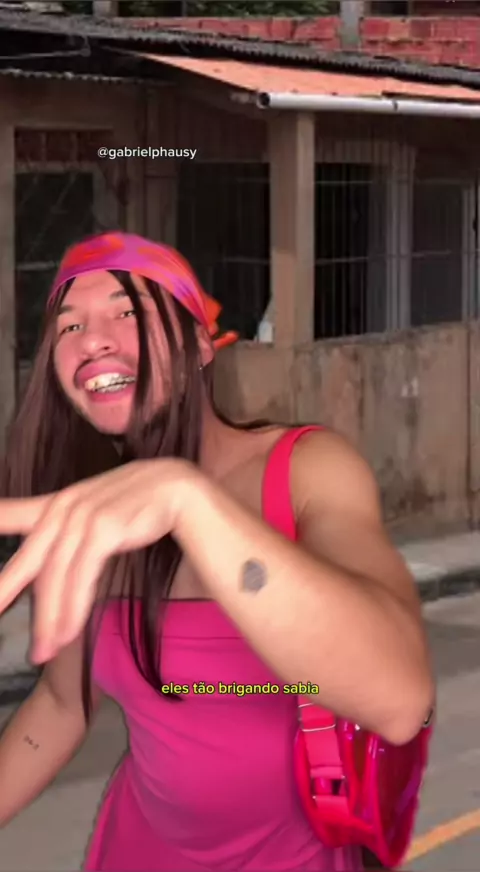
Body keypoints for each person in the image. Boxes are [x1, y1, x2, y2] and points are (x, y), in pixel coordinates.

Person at [0, 232, 434, 872]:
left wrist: (188, 501)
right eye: (70, 326)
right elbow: (63, 705)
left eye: (128, 313)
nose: (92, 341)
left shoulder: (306, 471)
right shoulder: (92, 514)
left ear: (201, 344)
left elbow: (399, 701)